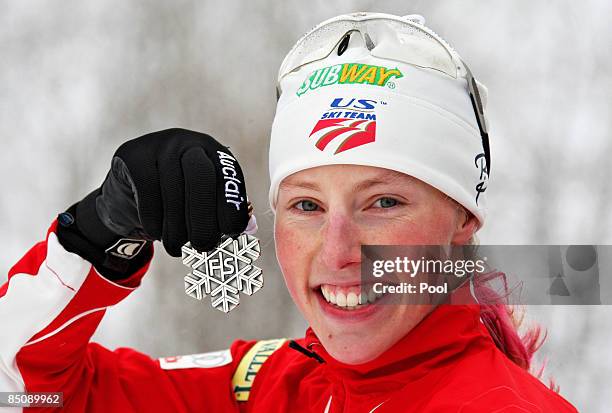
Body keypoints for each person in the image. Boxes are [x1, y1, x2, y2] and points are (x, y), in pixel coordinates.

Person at [0, 12, 578, 412]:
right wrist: (103, 231)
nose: (337, 251)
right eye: (307, 205)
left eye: (383, 203)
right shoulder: (278, 385)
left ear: (462, 223)